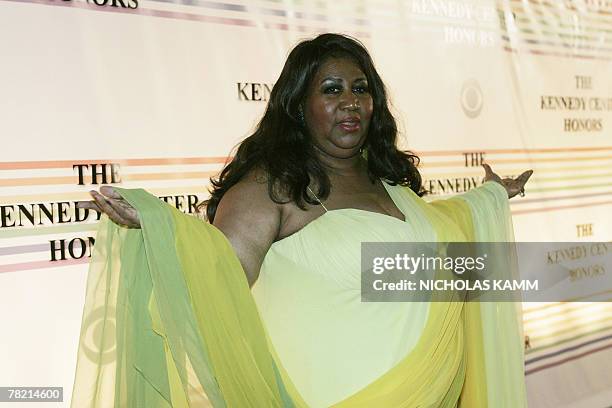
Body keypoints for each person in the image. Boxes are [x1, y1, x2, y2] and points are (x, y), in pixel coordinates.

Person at [74, 33, 532, 407]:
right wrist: (160, 226)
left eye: (361, 89)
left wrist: (491, 197)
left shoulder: (396, 188)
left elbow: (436, 234)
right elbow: (216, 272)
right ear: (298, 106)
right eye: (332, 90)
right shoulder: (271, 190)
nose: (350, 102)